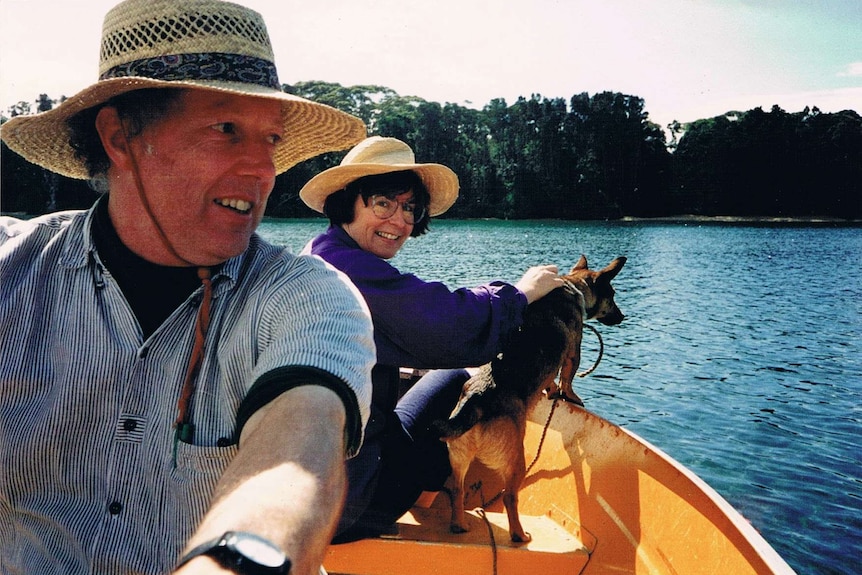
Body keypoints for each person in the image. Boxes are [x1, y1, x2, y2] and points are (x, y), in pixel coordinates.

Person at [0, 1, 376, 574]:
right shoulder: (12, 269)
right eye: (226, 130)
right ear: (119, 136)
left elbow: (301, 443)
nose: (262, 170)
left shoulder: (307, 296)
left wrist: (239, 559)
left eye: (270, 140)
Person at [299, 136, 563, 542]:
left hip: (308, 485)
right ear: (346, 201)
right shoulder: (346, 268)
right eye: (383, 203)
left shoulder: (318, 253)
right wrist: (522, 292)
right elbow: (448, 324)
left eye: (409, 208)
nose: (399, 221)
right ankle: (422, 495)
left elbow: (415, 319)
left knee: (441, 376)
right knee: (457, 375)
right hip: (347, 505)